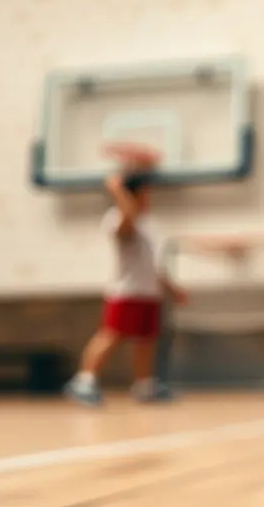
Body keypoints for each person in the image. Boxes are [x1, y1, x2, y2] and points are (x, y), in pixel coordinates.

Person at [64, 142, 188, 406]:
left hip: (148, 291)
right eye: (144, 193)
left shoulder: (150, 224)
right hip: (126, 290)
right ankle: (84, 380)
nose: (149, 197)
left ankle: (144, 385)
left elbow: (153, 264)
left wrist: (170, 287)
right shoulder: (116, 219)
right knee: (112, 335)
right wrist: (118, 189)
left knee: (145, 339)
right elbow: (127, 222)